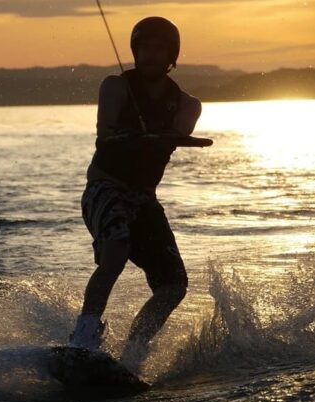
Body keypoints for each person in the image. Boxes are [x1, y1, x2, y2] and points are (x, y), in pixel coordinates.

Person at [69, 16, 203, 373]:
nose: (150, 55)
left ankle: (133, 353)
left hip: (143, 198)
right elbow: (104, 132)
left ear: (171, 55)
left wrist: (161, 137)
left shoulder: (188, 104)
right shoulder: (115, 87)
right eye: (144, 48)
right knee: (117, 248)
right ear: (135, 51)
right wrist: (128, 136)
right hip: (104, 187)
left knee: (174, 285)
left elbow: (178, 133)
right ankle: (83, 336)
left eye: (159, 49)